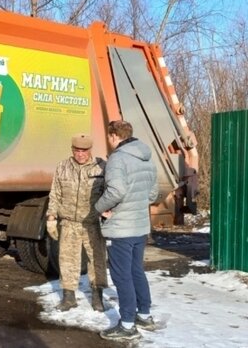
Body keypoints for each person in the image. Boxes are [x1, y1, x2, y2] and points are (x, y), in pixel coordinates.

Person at [94, 120, 159, 341]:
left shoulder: (117, 159)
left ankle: (128, 325)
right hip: (140, 226)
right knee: (136, 271)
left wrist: (98, 208)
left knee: (122, 276)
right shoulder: (147, 158)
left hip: (121, 228)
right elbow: (152, 194)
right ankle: (145, 315)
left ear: (113, 136)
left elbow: (117, 191)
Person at [46, 134, 107, 312]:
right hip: (69, 223)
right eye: (77, 150)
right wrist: (51, 217)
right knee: (67, 261)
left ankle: (97, 297)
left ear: (90, 150)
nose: (80, 154)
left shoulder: (101, 167)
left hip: (92, 224)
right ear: (72, 150)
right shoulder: (63, 167)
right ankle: (68, 297)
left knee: (97, 261)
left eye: (84, 151)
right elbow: (55, 194)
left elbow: (109, 194)